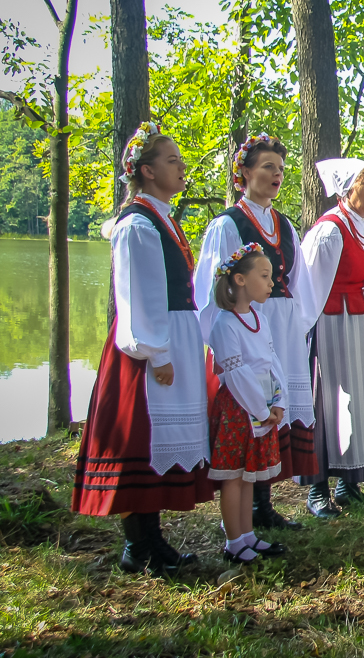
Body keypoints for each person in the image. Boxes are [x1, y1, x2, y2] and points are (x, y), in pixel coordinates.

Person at [72, 123, 214, 576]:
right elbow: (139, 294)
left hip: (170, 338)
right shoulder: (137, 223)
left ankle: (152, 541)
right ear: (148, 171)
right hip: (146, 350)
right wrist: (158, 352)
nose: (182, 167)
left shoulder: (162, 217)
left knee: (158, 441)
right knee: (142, 439)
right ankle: (139, 545)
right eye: (172, 160)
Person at [194, 134, 314, 531]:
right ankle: (250, 512)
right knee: (252, 410)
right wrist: (222, 337)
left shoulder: (285, 225)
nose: (277, 175)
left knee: (276, 405)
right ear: (243, 173)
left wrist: (297, 329)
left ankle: (264, 502)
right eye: (267, 167)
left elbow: (301, 283)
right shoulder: (228, 224)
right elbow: (210, 289)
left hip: (280, 325)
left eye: (280, 169)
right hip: (244, 330)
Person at [298, 159, 364, 516]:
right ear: (347, 188)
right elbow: (309, 290)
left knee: (362, 397)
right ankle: (317, 489)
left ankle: (349, 481)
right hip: (336, 322)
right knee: (333, 400)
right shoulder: (329, 231)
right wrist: (305, 337)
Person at [205, 244, 290, 564]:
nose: (272, 283)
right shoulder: (225, 325)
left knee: (246, 475)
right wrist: (260, 409)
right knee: (234, 476)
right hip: (240, 409)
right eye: (265, 276)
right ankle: (233, 542)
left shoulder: (258, 317)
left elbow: (271, 360)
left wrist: (280, 399)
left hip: (261, 404)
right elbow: (236, 374)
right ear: (239, 280)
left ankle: (247, 536)